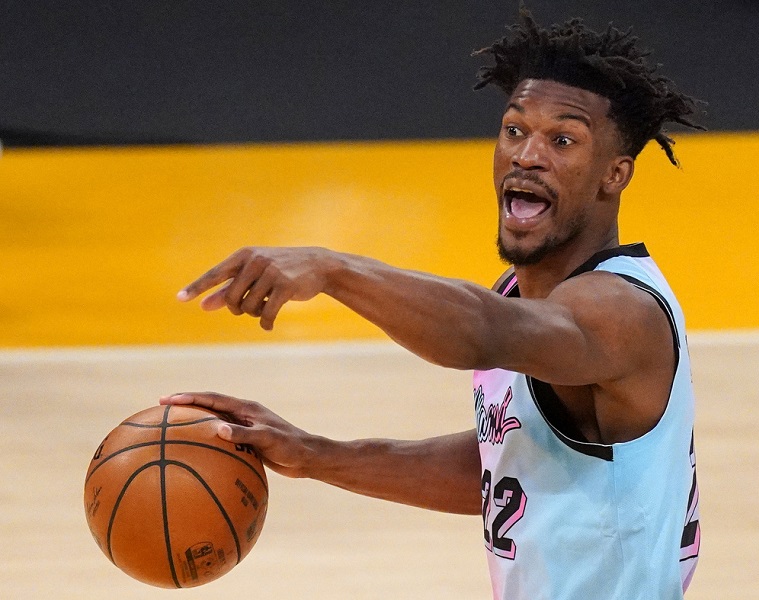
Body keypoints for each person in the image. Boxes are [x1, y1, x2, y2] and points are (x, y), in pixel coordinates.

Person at [162, 8, 703, 599]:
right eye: (514, 130)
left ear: (614, 175)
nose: (526, 155)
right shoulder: (518, 293)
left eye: (563, 140)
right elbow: (509, 466)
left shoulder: (622, 312)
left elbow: (481, 333)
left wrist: (333, 269)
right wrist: (314, 454)